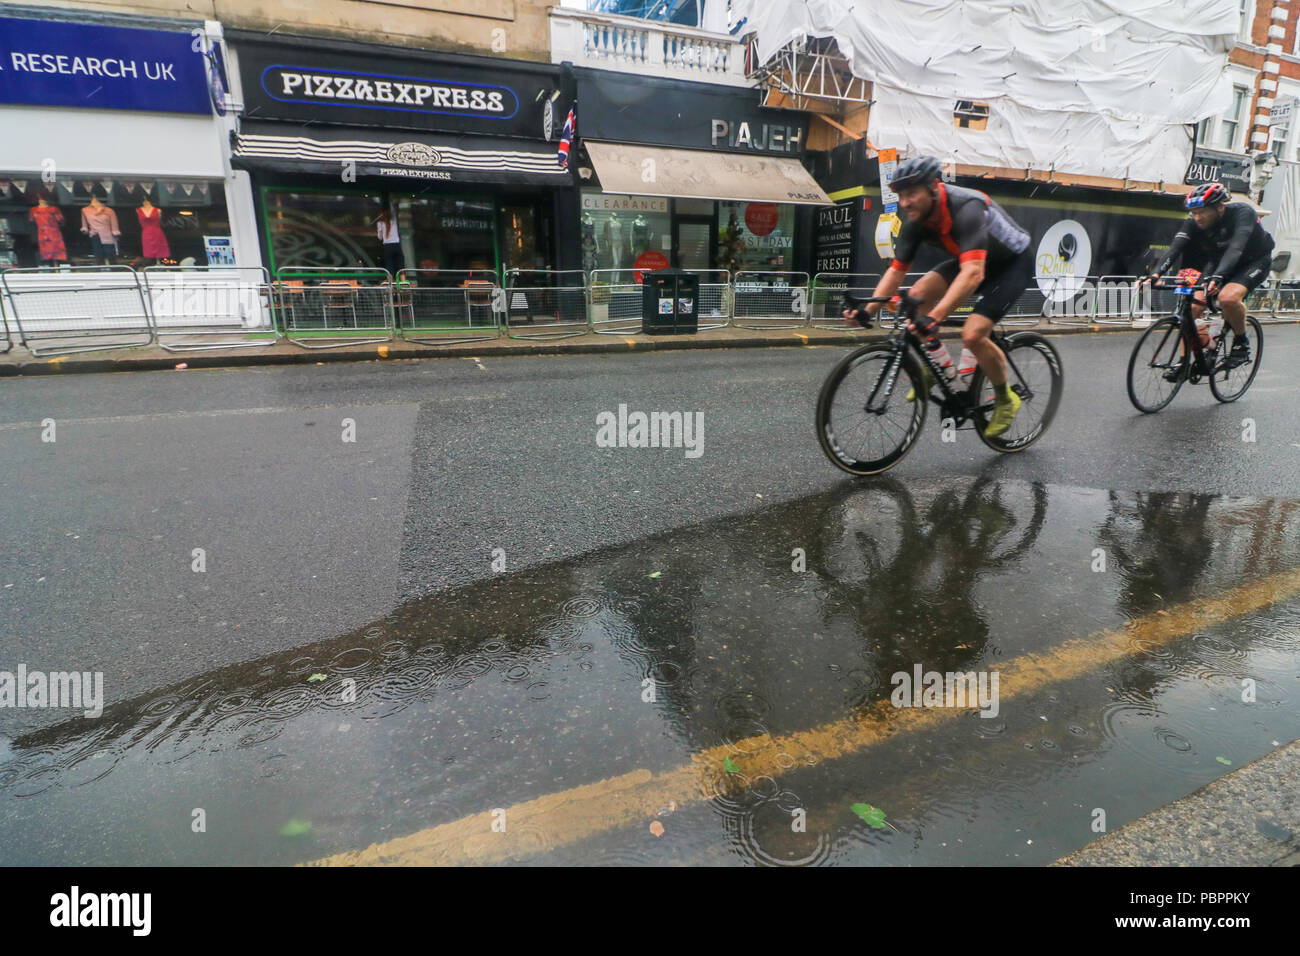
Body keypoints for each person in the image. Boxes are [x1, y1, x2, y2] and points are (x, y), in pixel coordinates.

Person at [841, 155, 1034, 437]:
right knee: (917, 294)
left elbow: (973, 274)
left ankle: (1006, 398)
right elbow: (895, 272)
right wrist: (867, 311)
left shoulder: (966, 208)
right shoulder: (916, 221)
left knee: (973, 333)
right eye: (901, 195)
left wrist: (935, 318)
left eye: (912, 193)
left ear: (933, 186)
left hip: (1011, 264)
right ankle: (938, 366)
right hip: (970, 260)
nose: (906, 202)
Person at [1140, 182, 1273, 370]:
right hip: (1219, 262)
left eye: (1202, 212)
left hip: (1253, 261)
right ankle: (1184, 361)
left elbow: (1236, 248)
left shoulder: (1243, 213)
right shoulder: (1194, 222)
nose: (1197, 217)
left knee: (1228, 298)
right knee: (1192, 308)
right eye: (1194, 213)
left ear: (1219, 207)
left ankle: (1241, 343)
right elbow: (1175, 248)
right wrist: (1155, 274)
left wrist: (1218, 277)